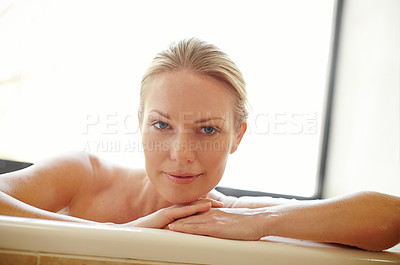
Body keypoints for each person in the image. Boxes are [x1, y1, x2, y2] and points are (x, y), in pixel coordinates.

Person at [0, 38, 399, 252]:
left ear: (237, 137)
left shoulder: (224, 216)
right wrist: (119, 232)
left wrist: (260, 221)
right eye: (161, 124)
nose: (181, 154)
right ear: (139, 124)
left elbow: (390, 218)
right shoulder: (82, 175)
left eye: (207, 130)